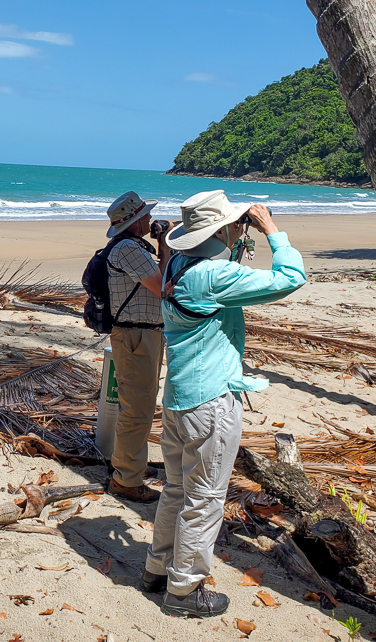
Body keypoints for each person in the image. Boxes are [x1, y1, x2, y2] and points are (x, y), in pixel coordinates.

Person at [143, 190, 306, 618]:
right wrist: (271, 230)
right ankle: (184, 591)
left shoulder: (177, 264)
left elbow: (218, 260)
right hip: (211, 401)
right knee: (205, 498)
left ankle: (157, 569)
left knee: (176, 490)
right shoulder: (214, 275)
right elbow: (290, 278)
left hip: (178, 397)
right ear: (221, 230)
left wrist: (235, 234)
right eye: (234, 223)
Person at [102, 191, 171, 503]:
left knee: (139, 406)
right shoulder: (129, 248)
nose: (151, 220)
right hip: (136, 336)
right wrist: (165, 244)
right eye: (146, 216)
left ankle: (131, 465)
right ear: (135, 221)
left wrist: (161, 244)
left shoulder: (132, 247)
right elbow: (163, 287)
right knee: (138, 409)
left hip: (142, 334)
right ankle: (126, 480)